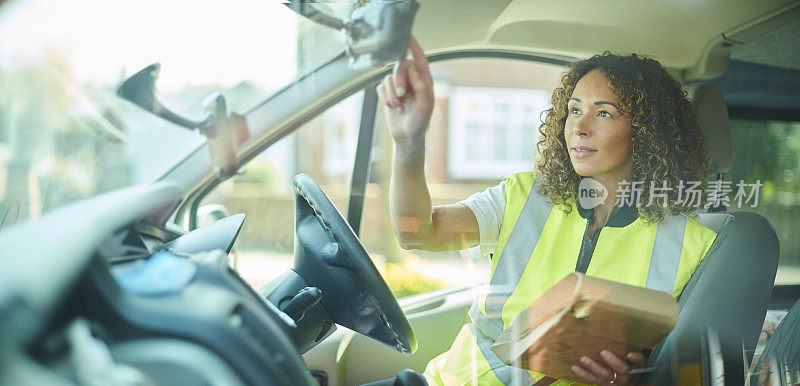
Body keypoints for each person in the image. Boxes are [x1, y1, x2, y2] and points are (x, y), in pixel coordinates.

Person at [377, 36, 717, 385]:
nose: (579, 127)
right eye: (573, 109)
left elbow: (685, 371)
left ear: (647, 131)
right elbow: (416, 233)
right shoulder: (522, 195)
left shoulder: (693, 246)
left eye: (603, 112)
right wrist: (408, 144)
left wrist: (633, 378)